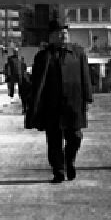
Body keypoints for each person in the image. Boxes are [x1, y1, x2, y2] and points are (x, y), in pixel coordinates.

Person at [29, 20, 94, 183]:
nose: (63, 34)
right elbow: (37, 83)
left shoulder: (78, 53)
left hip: (74, 103)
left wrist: (87, 97)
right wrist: (34, 106)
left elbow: (85, 76)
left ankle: (68, 160)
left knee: (76, 137)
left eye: (65, 32)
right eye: (59, 32)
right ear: (51, 37)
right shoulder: (43, 56)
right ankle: (58, 171)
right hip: (52, 105)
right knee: (54, 140)